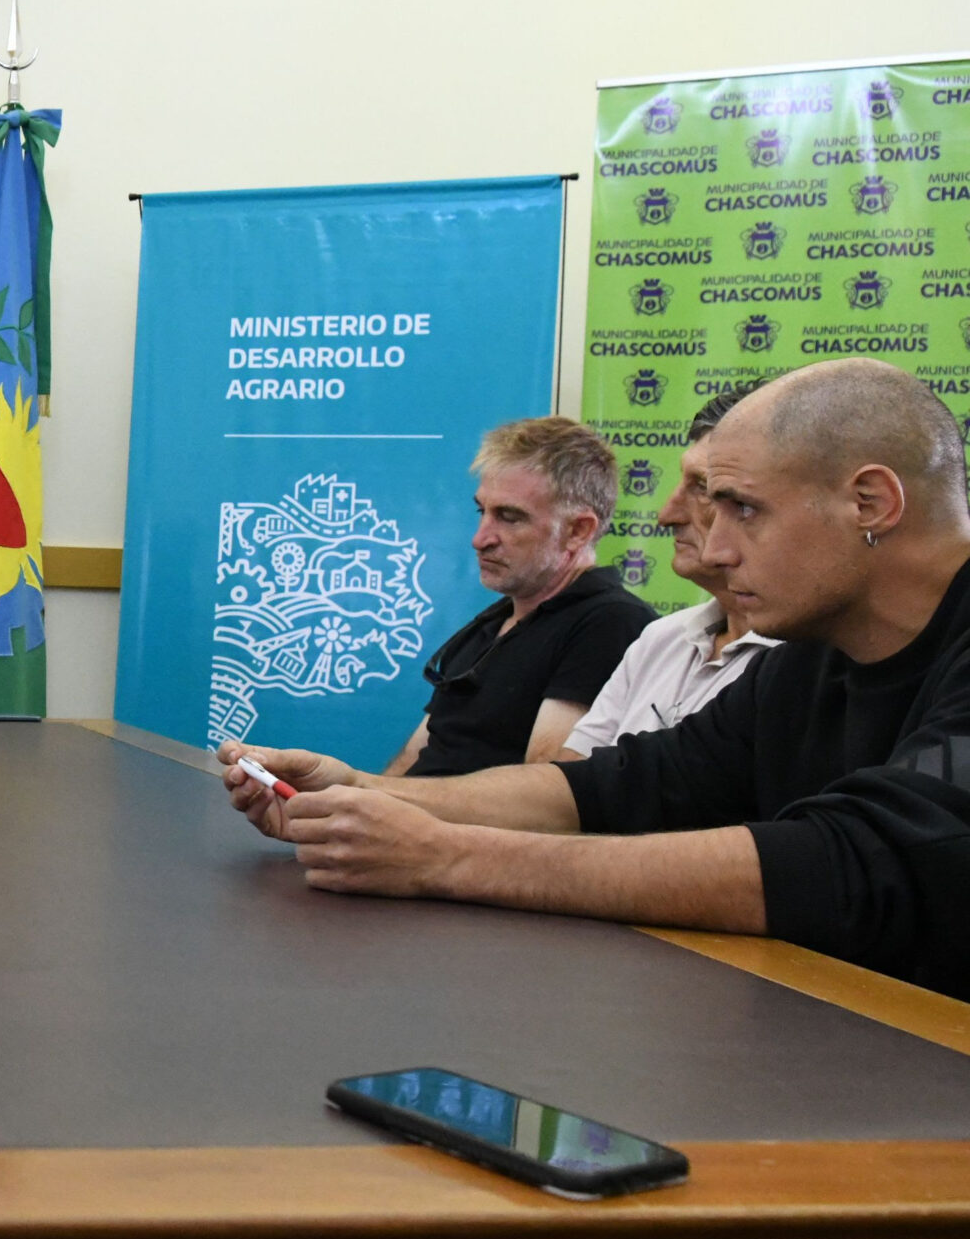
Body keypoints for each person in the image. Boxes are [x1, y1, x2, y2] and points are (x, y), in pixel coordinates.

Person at [219, 358, 970, 1002]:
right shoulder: (805, 661)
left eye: (744, 509)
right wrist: (361, 794)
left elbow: (849, 865)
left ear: (870, 503)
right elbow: (616, 785)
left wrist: (447, 856)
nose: (716, 549)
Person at [389, 416, 653, 775]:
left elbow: (544, 788)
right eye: (482, 511)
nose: (480, 539)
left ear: (578, 530)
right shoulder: (491, 625)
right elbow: (413, 759)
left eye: (509, 517)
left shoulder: (610, 623)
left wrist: (374, 802)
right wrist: (354, 801)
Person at [557, 385, 776, 758]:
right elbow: (573, 776)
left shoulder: (814, 662)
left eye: (705, 489)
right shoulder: (661, 638)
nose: (666, 515)